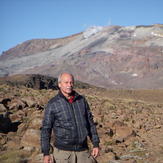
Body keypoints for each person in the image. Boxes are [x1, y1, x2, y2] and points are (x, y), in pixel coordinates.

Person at [41, 72, 100, 163]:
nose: (69, 85)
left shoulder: (81, 100)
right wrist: (46, 153)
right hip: (63, 154)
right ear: (59, 84)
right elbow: (46, 129)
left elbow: (90, 123)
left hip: (83, 152)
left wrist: (95, 144)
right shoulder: (53, 104)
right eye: (66, 82)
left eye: (71, 82)